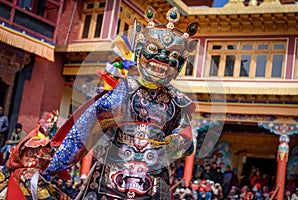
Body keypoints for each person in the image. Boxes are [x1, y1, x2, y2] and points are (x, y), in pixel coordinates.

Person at [45, 6, 198, 200]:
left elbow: (186, 142)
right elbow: (83, 132)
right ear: (140, 52)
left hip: (153, 181)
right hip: (111, 178)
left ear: (180, 65)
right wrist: (53, 166)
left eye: (173, 56)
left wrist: (174, 141)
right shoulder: (122, 89)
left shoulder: (178, 101)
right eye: (153, 50)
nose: (161, 59)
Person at [0, 112, 70, 199]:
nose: (52, 126)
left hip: (30, 176)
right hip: (28, 177)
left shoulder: (42, 141)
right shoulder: (39, 142)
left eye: (54, 123)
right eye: (51, 122)